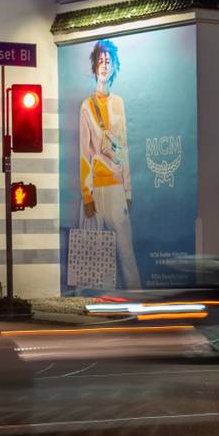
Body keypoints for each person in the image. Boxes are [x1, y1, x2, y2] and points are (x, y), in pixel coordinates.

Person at [78, 39, 141, 289]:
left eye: (108, 62)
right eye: (100, 61)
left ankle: (137, 298)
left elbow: (123, 148)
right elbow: (84, 153)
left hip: (115, 188)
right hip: (96, 188)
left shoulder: (118, 103)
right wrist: (87, 195)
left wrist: (128, 190)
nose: (104, 66)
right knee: (98, 254)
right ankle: (103, 303)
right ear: (94, 67)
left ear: (114, 66)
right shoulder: (86, 106)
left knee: (125, 250)